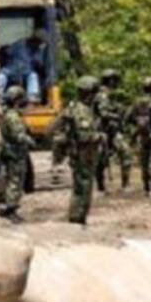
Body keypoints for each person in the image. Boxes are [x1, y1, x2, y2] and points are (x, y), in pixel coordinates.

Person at [51, 75, 104, 224]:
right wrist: (100, 137)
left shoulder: (77, 108)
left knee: (82, 185)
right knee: (83, 186)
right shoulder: (81, 111)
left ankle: (78, 216)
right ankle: (77, 217)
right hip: (83, 154)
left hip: (83, 154)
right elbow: (84, 136)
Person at [0, 87, 34, 220]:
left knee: (13, 180)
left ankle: (9, 207)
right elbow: (18, 136)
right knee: (15, 181)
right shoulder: (13, 117)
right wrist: (30, 141)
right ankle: (10, 209)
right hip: (15, 153)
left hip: (13, 152)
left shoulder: (11, 114)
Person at [93, 69, 131, 191]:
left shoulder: (111, 95)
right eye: (114, 80)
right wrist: (117, 115)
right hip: (103, 131)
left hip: (113, 131)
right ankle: (100, 186)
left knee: (125, 152)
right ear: (110, 80)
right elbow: (103, 113)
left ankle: (126, 184)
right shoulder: (102, 95)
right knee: (101, 159)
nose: (116, 83)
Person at [131, 76, 151, 196]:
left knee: (144, 161)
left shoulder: (137, 102)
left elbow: (130, 117)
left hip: (141, 134)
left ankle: (146, 187)